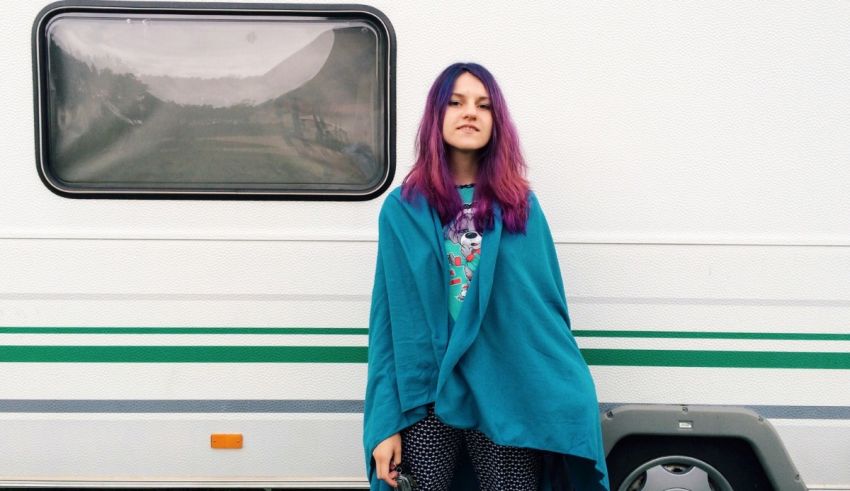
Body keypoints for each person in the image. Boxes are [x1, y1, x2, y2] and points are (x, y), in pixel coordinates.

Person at [363, 63, 609, 491]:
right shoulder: (402, 209)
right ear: (435, 117)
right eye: (455, 103)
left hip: (503, 389)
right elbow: (387, 323)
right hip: (427, 396)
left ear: (497, 122)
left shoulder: (521, 208)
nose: (469, 113)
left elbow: (544, 310)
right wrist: (384, 422)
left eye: (483, 105)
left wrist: (571, 390)